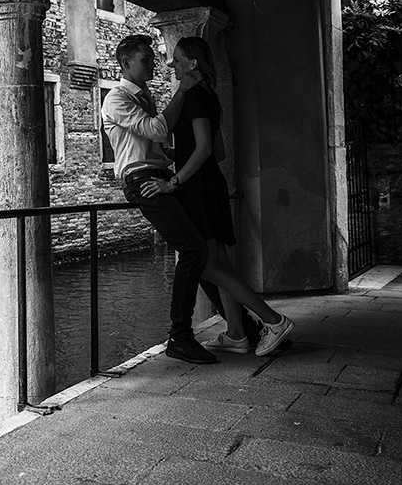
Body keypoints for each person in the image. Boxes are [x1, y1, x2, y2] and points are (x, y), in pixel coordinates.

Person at [154, 36, 294, 357]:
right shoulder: (209, 96)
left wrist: (175, 179)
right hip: (210, 186)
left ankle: (274, 320)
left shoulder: (194, 99)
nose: (171, 65)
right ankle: (236, 334)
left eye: (176, 59)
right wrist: (177, 152)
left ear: (192, 64)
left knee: (204, 264)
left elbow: (205, 150)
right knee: (220, 264)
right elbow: (218, 152)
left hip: (198, 190)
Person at [101, 33, 217, 364]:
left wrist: (169, 155)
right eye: (146, 59)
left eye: (153, 58)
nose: (153, 63)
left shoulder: (144, 95)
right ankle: (180, 337)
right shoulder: (117, 98)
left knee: (200, 248)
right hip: (143, 183)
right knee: (195, 249)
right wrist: (182, 90)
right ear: (126, 64)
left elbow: (151, 142)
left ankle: (238, 323)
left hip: (159, 177)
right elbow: (155, 130)